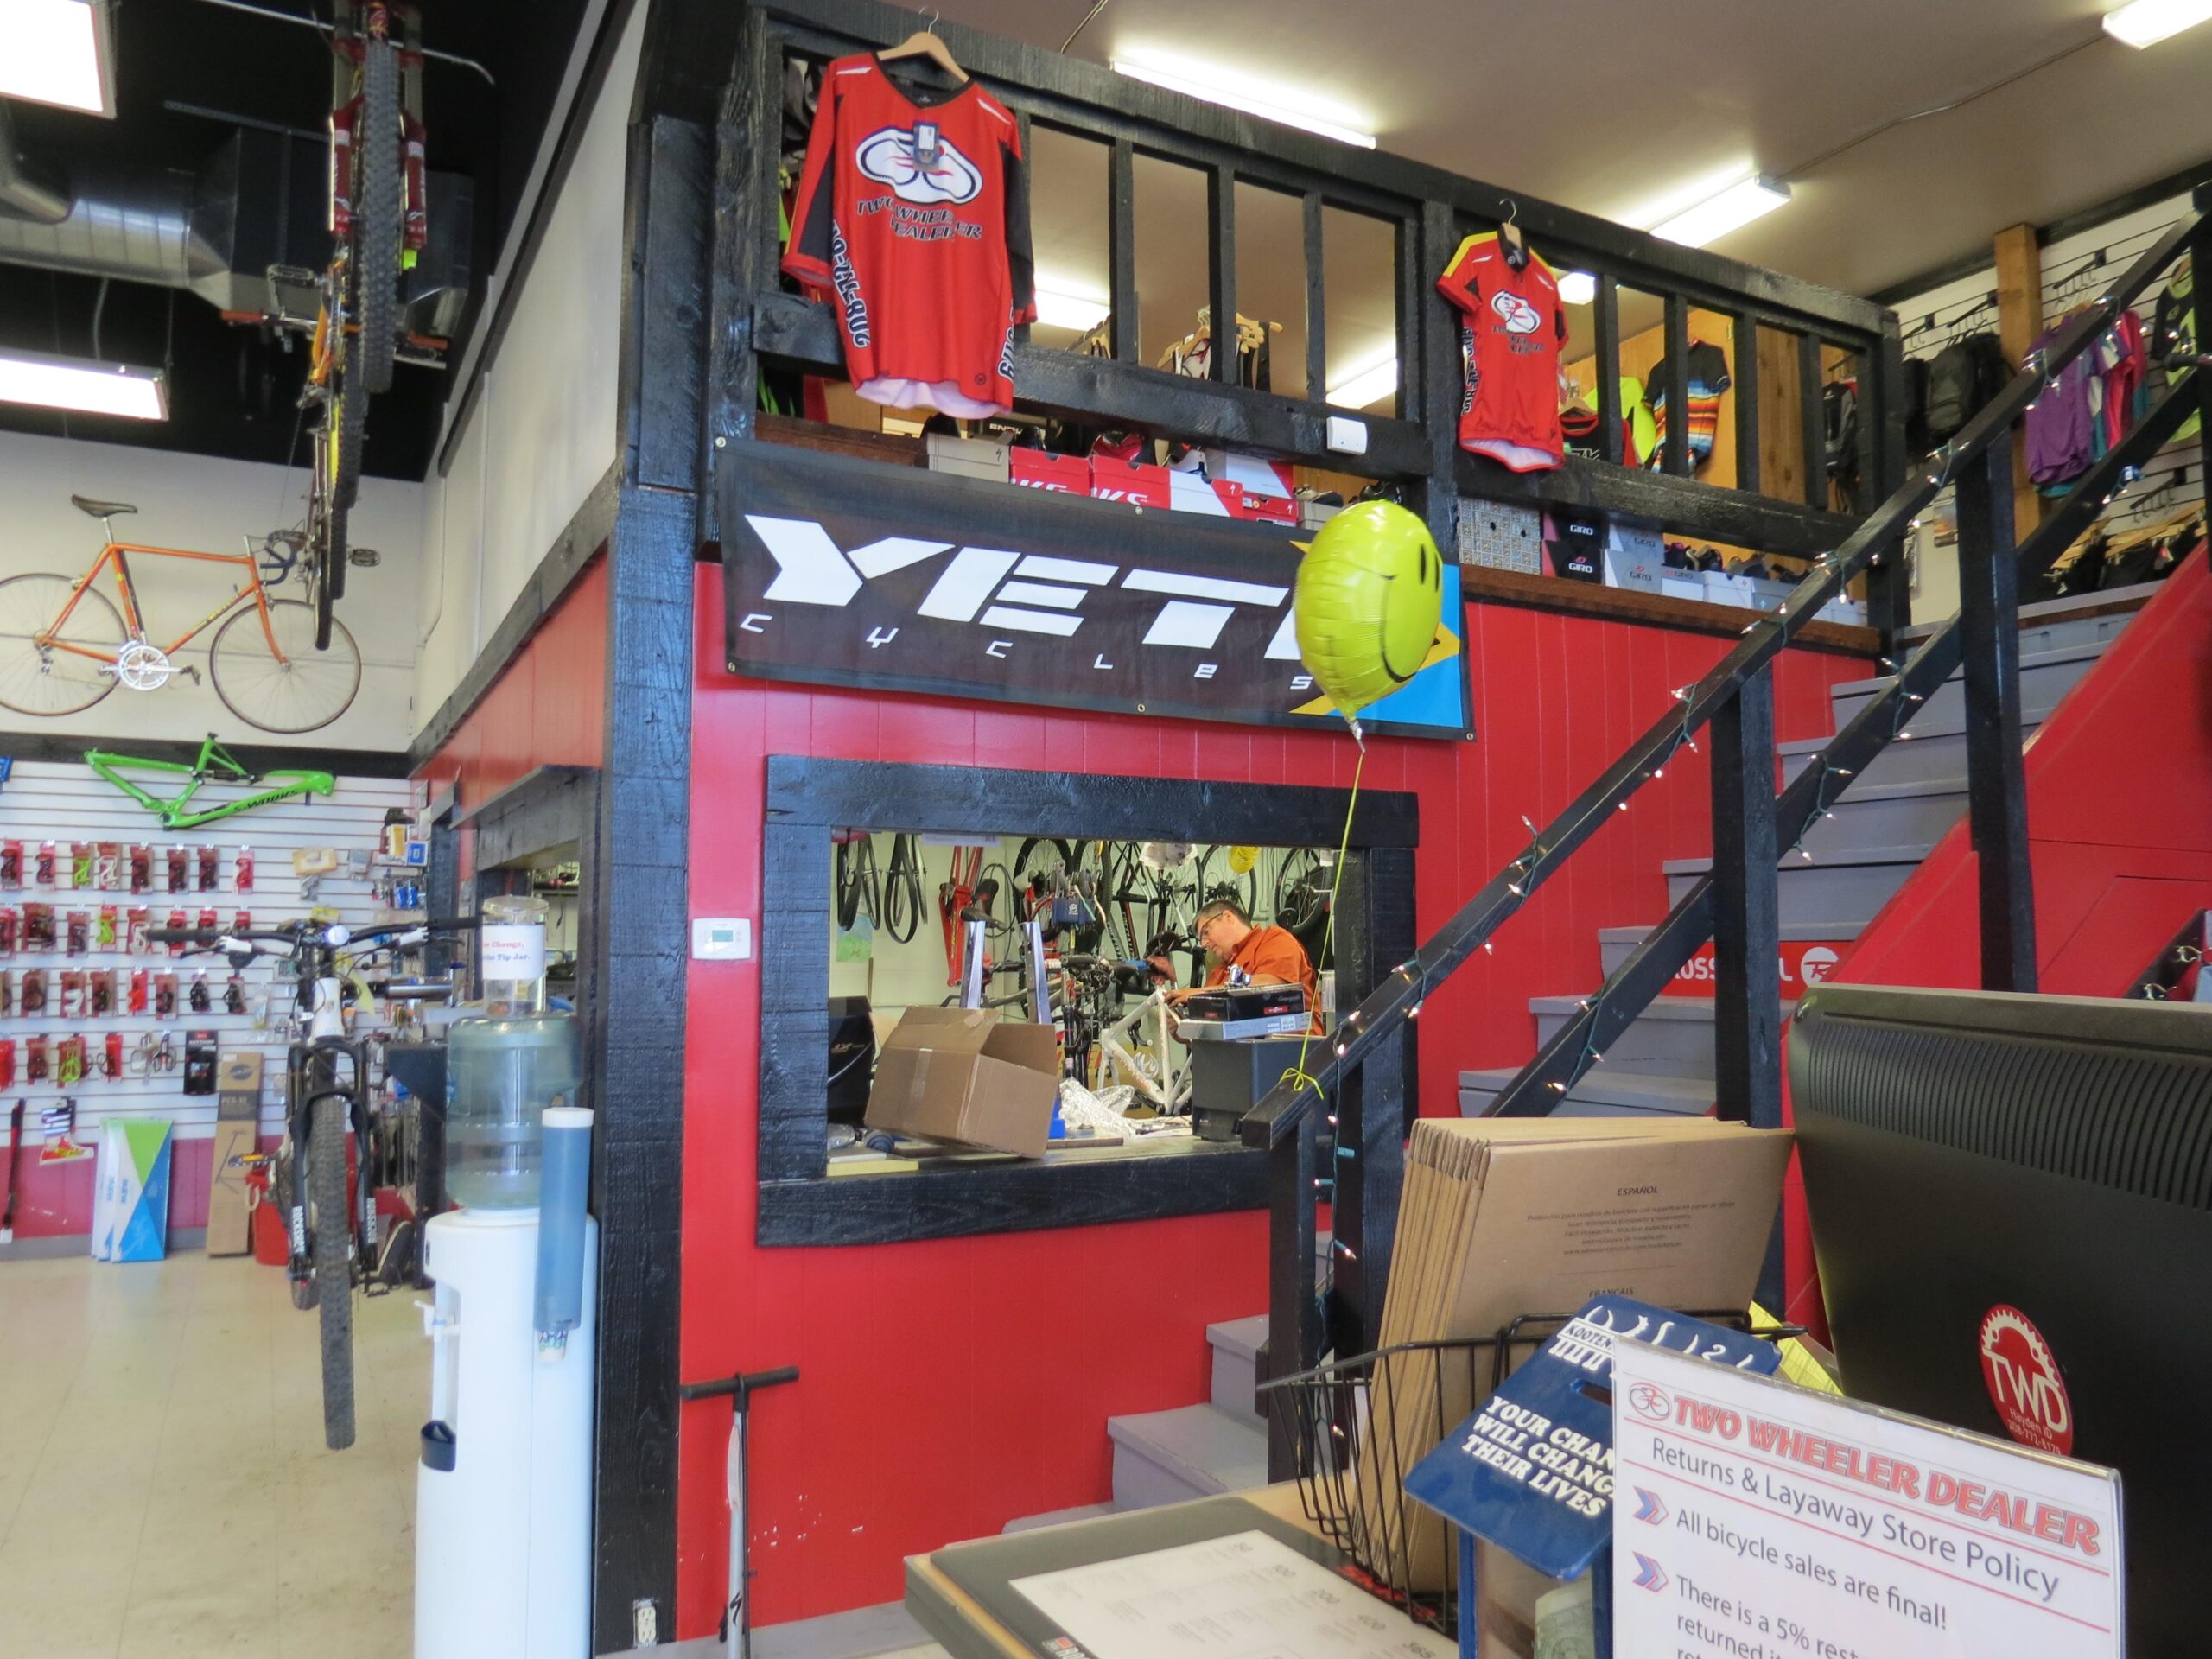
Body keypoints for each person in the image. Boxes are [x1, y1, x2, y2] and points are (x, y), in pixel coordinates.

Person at [1151, 899, 1322, 1033]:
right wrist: (1181, 1025)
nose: (1203, 943)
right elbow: (1209, 1032)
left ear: (1228, 917)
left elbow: (1271, 988)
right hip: (1240, 1062)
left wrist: (1199, 994)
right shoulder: (1218, 974)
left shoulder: (1275, 939)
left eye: (1206, 932)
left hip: (1295, 1060)